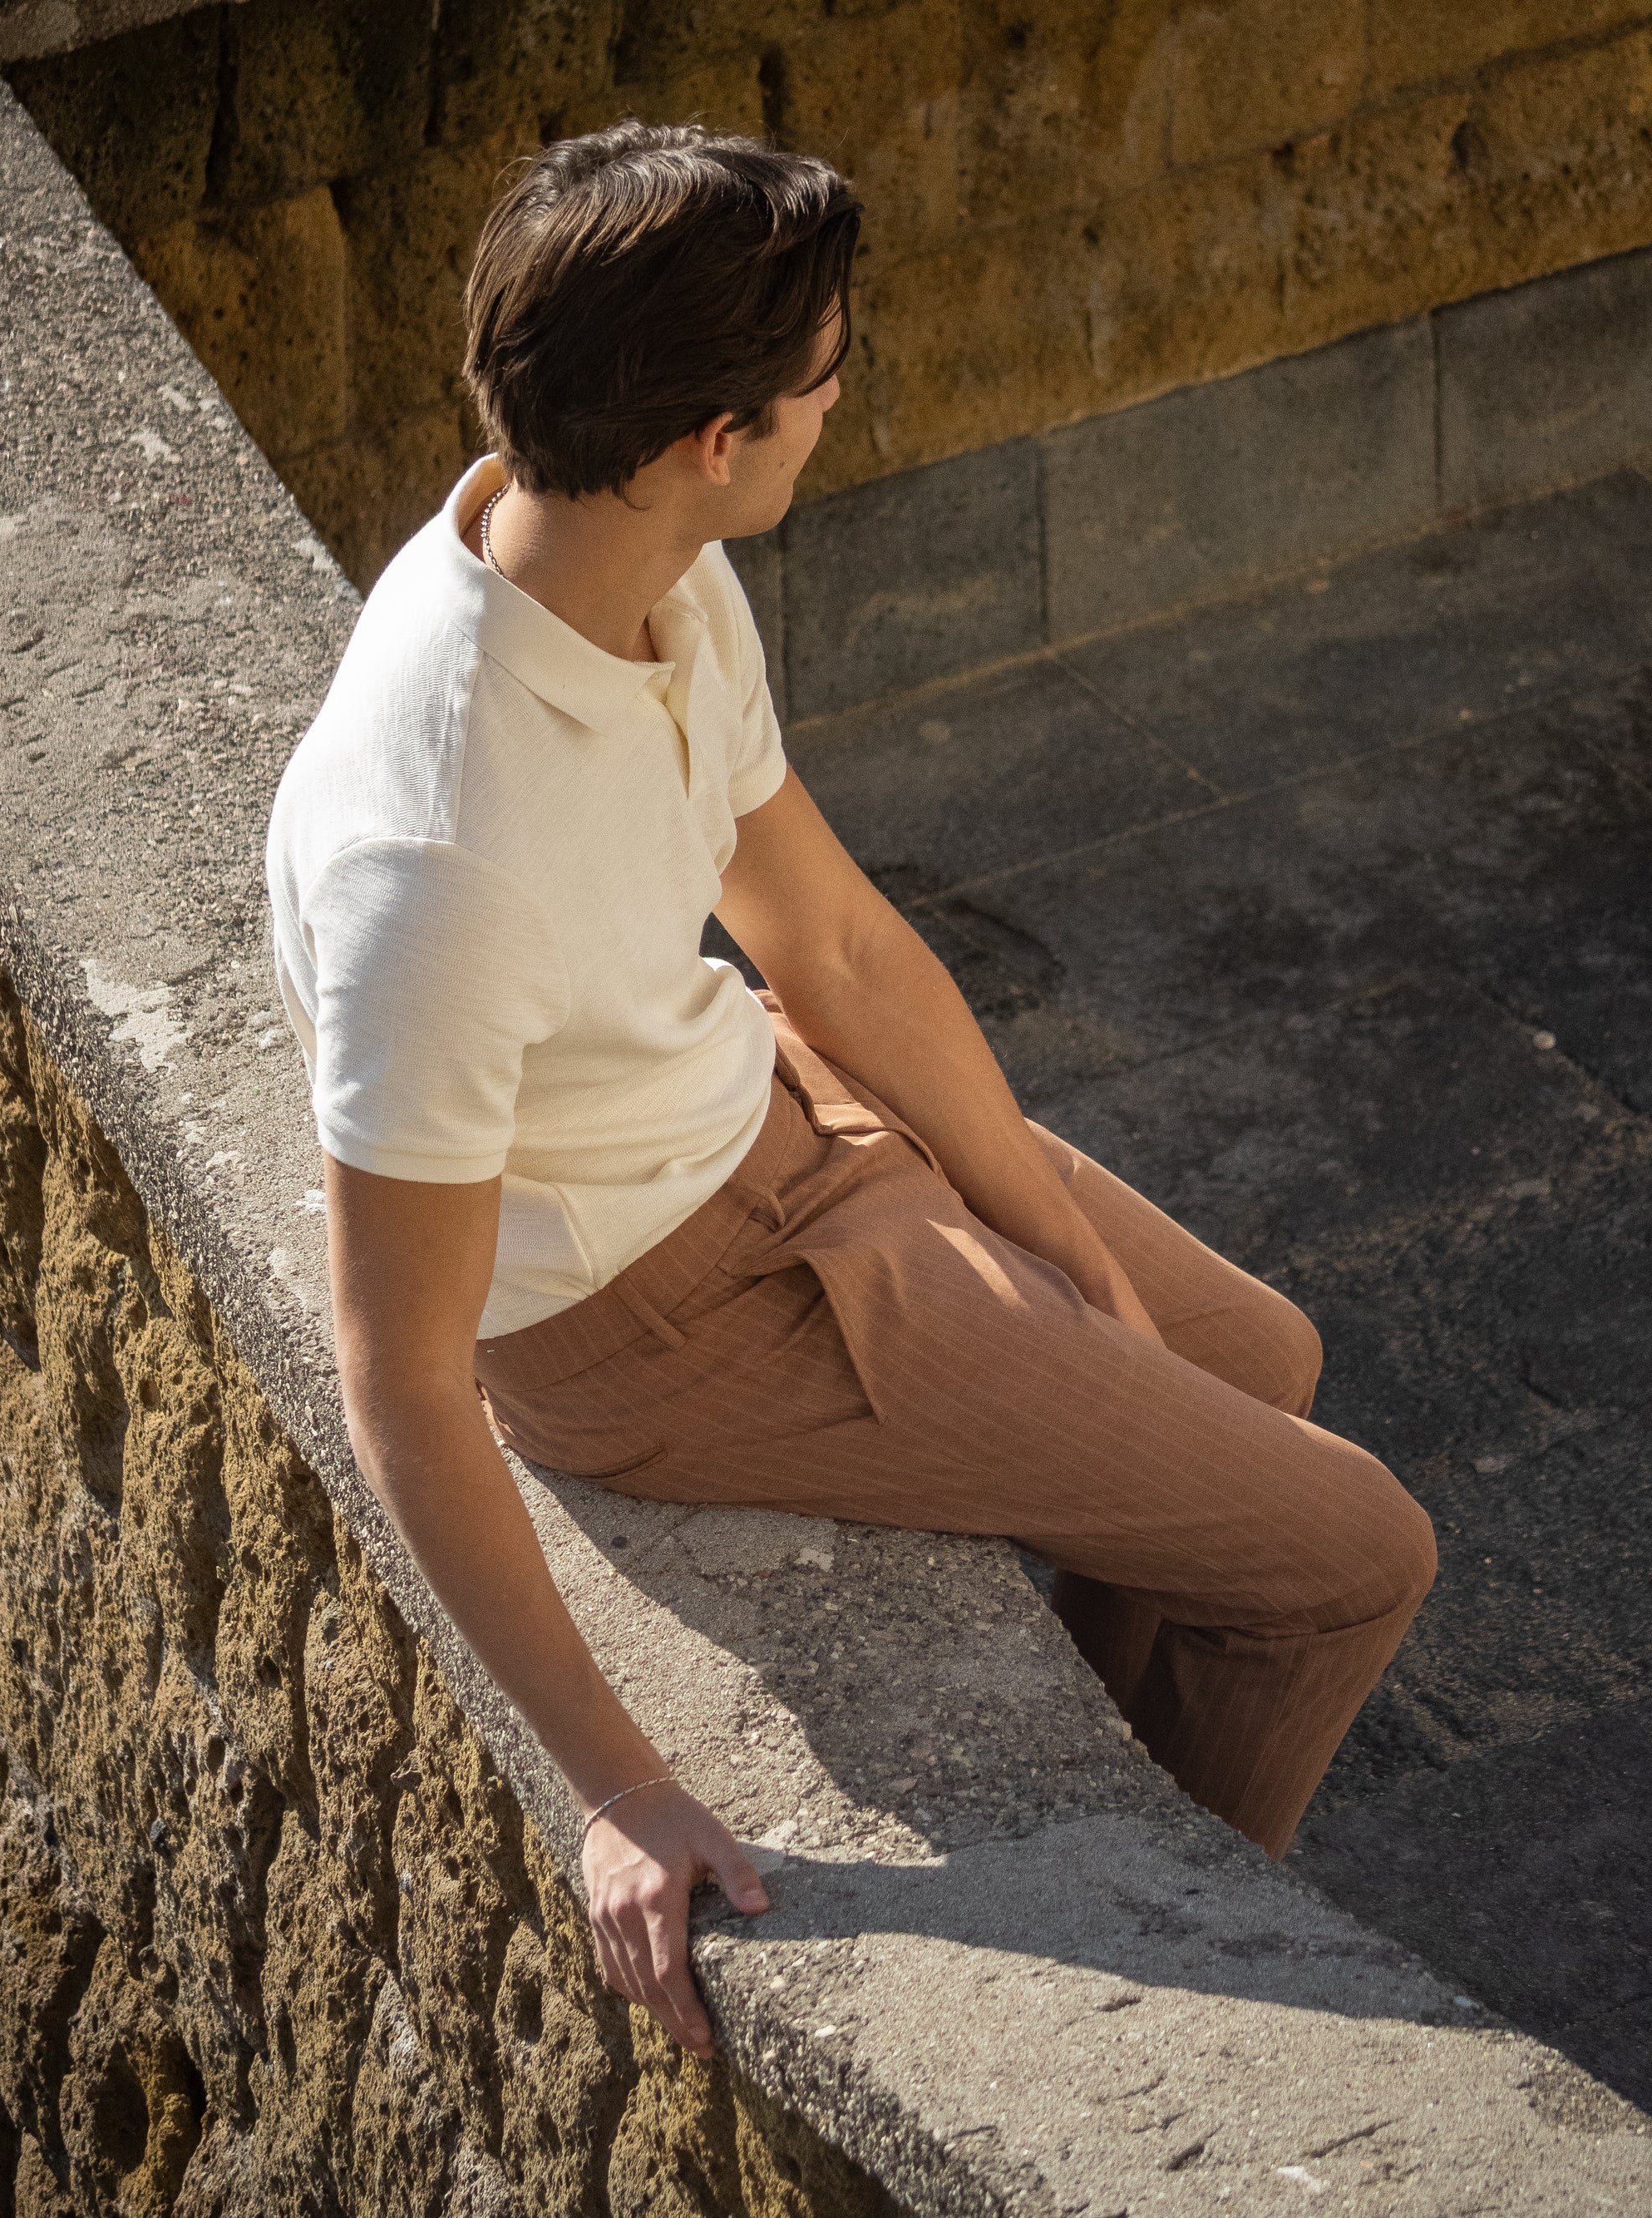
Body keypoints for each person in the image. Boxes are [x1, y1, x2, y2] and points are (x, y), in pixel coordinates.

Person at [265, 120, 1436, 2061]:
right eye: (822, 378)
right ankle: (1181, 1986)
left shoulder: (642, 572)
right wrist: (622, 1785)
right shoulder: (440, 847)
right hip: (660, 1316)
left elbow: (831, 942)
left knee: (1260, 1358)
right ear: (710, 435)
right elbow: (401, 1370)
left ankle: (1110, 1814)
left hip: (767, 1116)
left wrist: (1068, 1252)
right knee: (1356, 1558)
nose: (840, 403)